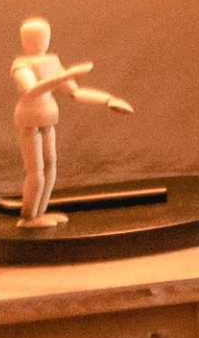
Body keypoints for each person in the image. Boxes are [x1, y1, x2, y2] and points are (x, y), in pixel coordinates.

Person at [9, 15, 133, 228]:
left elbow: (75, 92)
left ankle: (40, 212)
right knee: (35, 172)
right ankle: (28, 217)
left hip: (48, 118)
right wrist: (67, 74)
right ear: (24, 40)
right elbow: (31, 91)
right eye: (35, 37)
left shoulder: (51, 62)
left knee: (50, 167)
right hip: (29, 120)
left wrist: (108, 99)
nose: (40, 41)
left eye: (43, 36)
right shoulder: (21, 65)